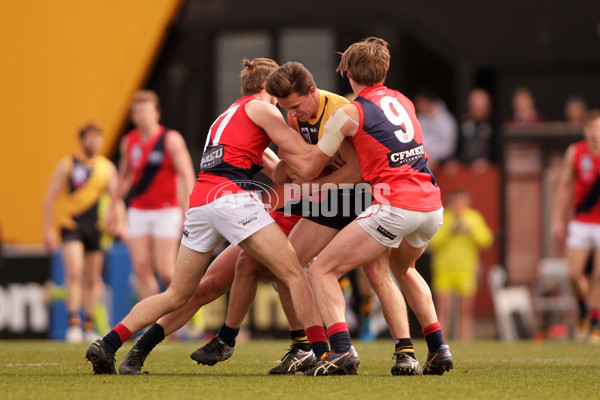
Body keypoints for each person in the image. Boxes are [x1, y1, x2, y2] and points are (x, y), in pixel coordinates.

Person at [84, 58, 324, 375]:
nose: (283, 103)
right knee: (293, 272)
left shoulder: (228, 116)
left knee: (177, 293)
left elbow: (276, 167)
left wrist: (294, 169)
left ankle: (109, 343)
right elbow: (300, 151)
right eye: (278, 95)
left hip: (201, 203)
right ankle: (322, 354)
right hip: (232, 199)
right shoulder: (262, 108)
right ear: (266, 88)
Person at [279, 38, 454, 376]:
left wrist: (283, 160)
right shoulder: (402, 100)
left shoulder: (350, 111)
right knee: (404, 270)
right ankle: (438, 348)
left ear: (347, 73)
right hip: (431, 204)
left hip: (395, 203)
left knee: (320, 270)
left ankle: (341, 351)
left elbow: (313, 165)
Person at [109, 90, 196, 300]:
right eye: (137, 112)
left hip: (166, 210)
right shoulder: (129, 142)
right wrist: (113, 207)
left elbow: (187, 175)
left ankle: (192, 310)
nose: (142, 116)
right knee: (141, 269)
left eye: (146, 112)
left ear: (156, 113)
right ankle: (154, 323)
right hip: (138, 210)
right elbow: (123, 178)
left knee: (165, 270)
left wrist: (189, 210)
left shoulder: (170, 139)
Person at [42, 123, 120, 343]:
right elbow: (50, 197)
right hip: (71, 224)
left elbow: (116, 198)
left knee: (93, 278)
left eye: (99, 138)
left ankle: (89, 323)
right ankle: (73, 323)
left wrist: (118, 220)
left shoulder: (106, 168)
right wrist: (47, 229)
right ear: (82, 140)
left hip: (96, 227)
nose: (95, 142)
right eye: (91, 138)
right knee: (74, 271)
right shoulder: (67, 164)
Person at [552, 110, 600, 343]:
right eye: (592, 128)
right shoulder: (576, 152)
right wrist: (558, 219)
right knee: (573, 274)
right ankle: (584, 309)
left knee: (599, 276)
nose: (595, 133)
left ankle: (595, 325)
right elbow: (565, 186)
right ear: (585, 130)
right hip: (581, 220)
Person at [429, 188, 493, 341]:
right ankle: (440, 342)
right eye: (455, 200)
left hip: (466, 270)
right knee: (443, 310)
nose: (459, 204)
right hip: (444, 269)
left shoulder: (474, 218)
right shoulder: (443, 218)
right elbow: (432, 242)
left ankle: (465, 341)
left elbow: (486, 240)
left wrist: (470, 230)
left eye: (462, 200)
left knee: (466, 311)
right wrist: (449, 232)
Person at [414, 90, 458, 167]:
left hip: (442, 159)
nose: (418, 107)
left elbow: (448, 147)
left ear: (427, 102)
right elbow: (416, 141)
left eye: (420, 103)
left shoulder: (446, 120)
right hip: (422, 156)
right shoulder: (419, 119)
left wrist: (432, 155)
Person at [457, 88, 495, 166]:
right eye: (476, 108)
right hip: (465, 168)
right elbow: (457, 149)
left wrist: (488, 161)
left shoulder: (495, 126)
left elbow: (498, 153)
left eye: (482, 108)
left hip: (488, 169)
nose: (479, 112)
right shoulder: (463, 123)